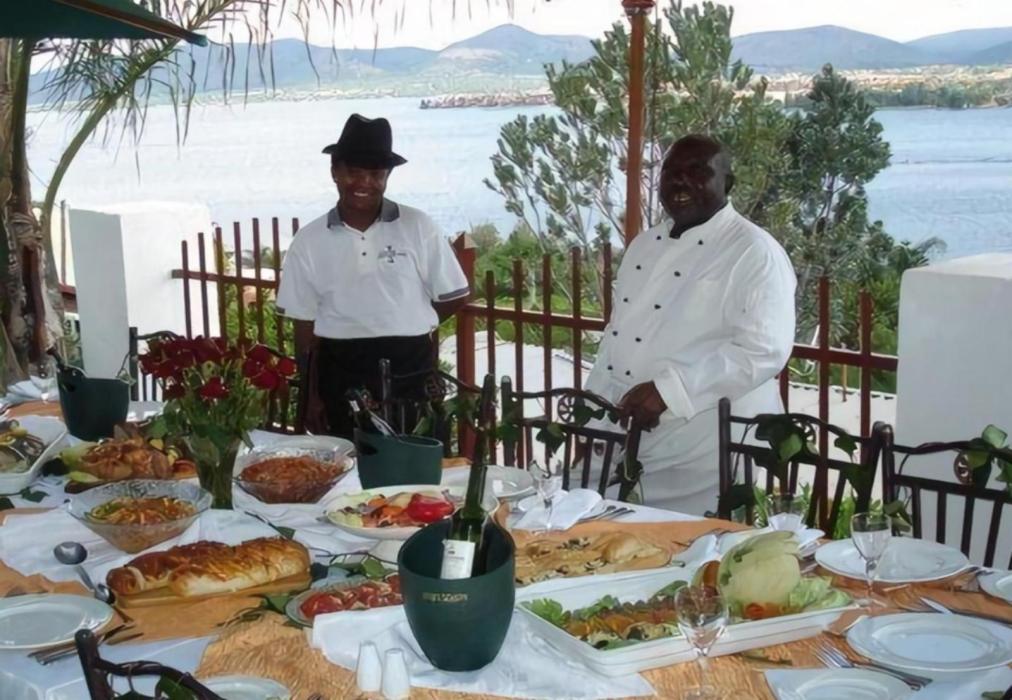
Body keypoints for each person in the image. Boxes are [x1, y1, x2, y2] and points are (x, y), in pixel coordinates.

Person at [584, 134, 796, 514]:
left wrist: (668, 391)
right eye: (671, 172)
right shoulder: (643, 245)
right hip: (626, 436)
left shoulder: (754, 252)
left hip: (704, 446)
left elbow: (764, 350)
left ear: (727, 183)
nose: (680, 181)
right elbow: (617, 337)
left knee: (685, 541)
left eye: (698, 171)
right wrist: (593, 417)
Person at [276, 114, 470, 438]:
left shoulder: (418, 226)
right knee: (347, 462)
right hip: (340, 372)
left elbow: (456, 295)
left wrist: (412, 320)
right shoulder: (309, 241)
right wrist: (310, 395)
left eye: (376, 174)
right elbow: (304, 325)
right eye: (354, 172)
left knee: (416, 461)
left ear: (387, 177)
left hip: (411, 369)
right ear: (335, 172)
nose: (364, 183)